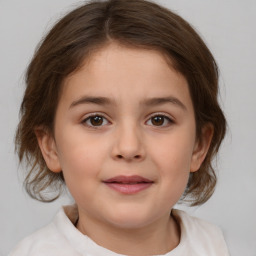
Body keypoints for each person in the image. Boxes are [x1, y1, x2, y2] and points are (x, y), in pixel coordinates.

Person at [9, 0, 230, 255]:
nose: (128, 148)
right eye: (96, 120)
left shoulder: (213, 244)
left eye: (159, 119)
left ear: (199, 145)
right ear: (50, 146)